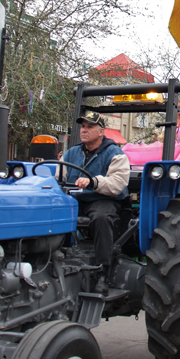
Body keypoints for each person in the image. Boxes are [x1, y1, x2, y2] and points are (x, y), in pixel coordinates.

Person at [61, 111, 129, 294]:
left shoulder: (115, 154)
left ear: (101, 131)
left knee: (101, 217)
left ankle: (102, 272)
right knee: (54, 212)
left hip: (103, 199)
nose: (84, 130)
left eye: (89, 127)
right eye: (83, 126)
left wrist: (94, 182)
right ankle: (56, 260)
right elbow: (59, 175)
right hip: (76, 199)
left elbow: (117, 185)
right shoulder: (71, 153)